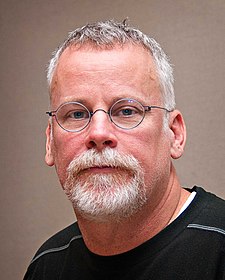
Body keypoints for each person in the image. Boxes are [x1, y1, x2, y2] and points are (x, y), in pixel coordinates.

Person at [24, 19, 225, 279]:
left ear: (174, 133)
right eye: (75, 114)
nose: (98, 133)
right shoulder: (47, 266)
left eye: (127, 111)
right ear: (50, 142)